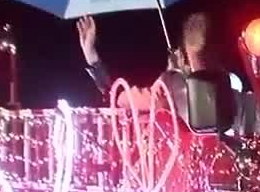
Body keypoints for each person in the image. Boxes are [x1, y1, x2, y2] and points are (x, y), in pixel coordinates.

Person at [76, 13, 245, 116]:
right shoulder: (240, 96)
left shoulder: (168, 90)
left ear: (182, 55)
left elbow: (117, 96)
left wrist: (91, 57)